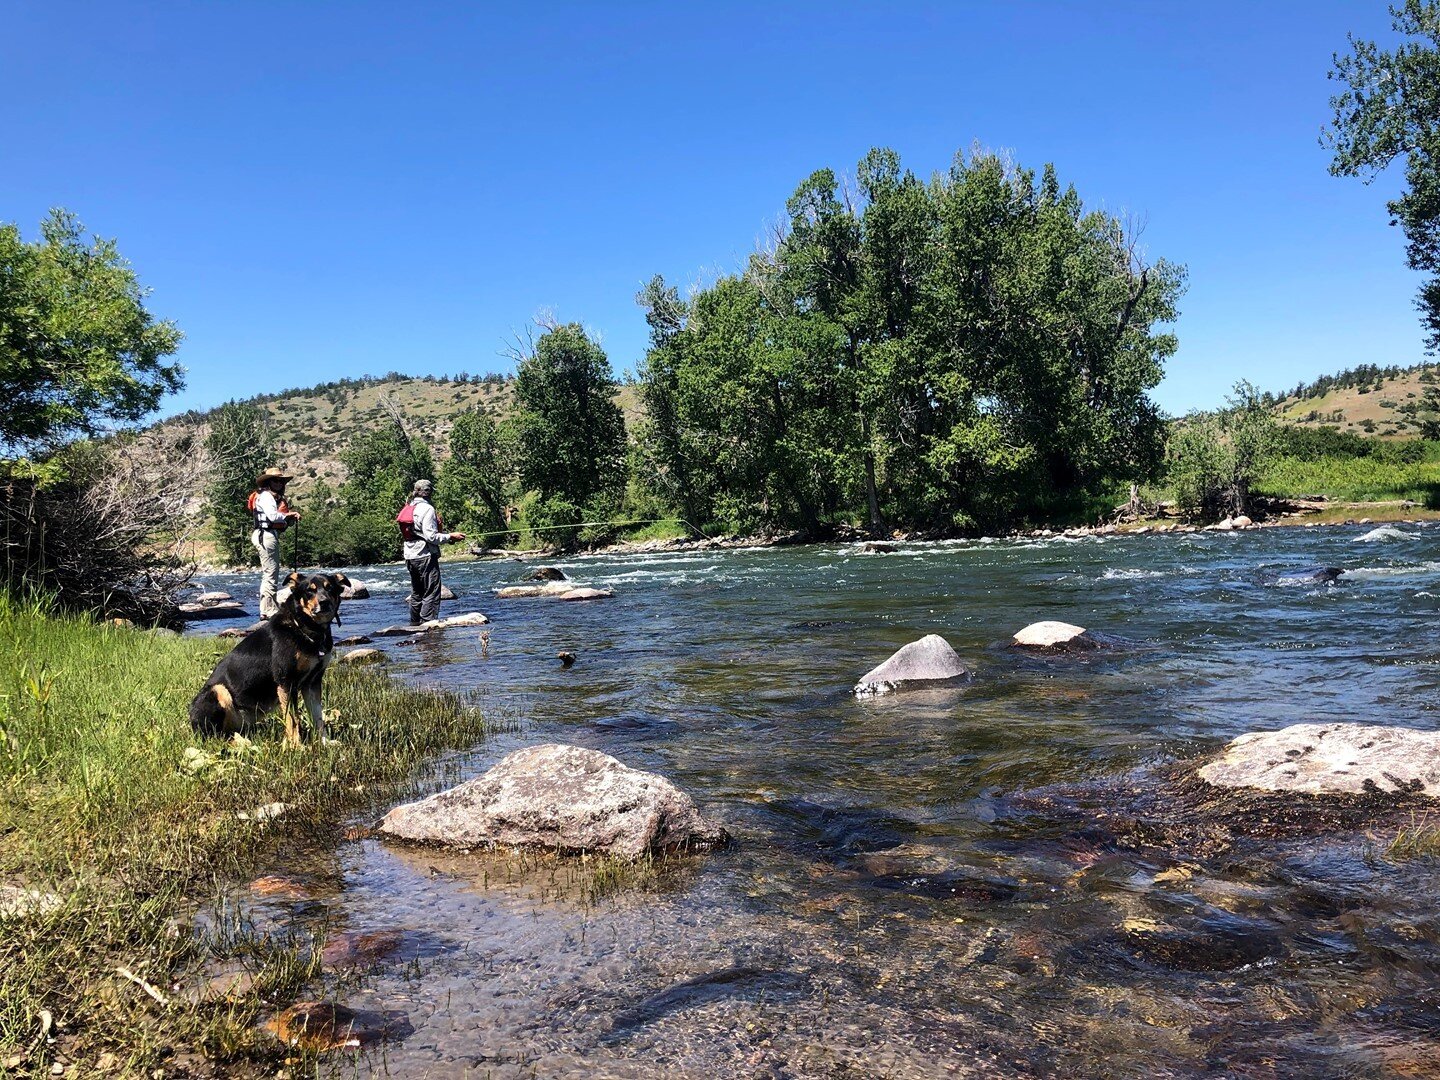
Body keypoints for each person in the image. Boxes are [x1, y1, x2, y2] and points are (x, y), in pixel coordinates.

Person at [401, 479, 464, 624]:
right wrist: (450, 536)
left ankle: (415, 625)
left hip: (410, 556)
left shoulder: (409, 507)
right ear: (428, 493)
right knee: (431, 592)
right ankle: (428, 626)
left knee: (417, 593)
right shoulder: (427, 509)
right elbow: (431, 536)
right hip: (425, 555)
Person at [250, 467, 301, 619]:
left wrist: (286, 518)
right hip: (265, 536)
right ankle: (269, 610)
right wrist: (289, 514)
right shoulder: (266, 496)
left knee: (269, 573)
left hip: (265, 535)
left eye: (281, 481)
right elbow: (272, 517)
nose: (279, 483)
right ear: (268, 482)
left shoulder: (266, 496)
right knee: (271, 574)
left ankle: (267, 609)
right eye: (275, 480)